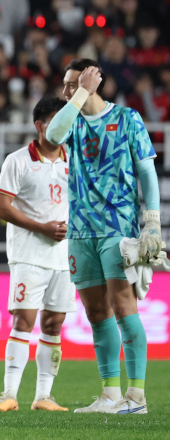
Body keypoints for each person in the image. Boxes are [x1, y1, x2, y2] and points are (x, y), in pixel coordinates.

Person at [46, 59, 162, 414]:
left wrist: (153, 221)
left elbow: (147, 172)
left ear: (95, 80)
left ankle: (137, 396)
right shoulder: (72, 121)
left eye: (74, 83)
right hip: (81, 229)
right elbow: (52, 136)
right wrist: (80, 93)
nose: (68, 91)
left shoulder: (128, 119)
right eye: (66, 85)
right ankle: (111, 394)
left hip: (118, 227)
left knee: (125, 308)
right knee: (97, 313)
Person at [0, 97, 75, 412]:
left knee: (54, 323)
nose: (63, 129)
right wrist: (42, 227)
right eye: (56, 122)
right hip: (28, 255)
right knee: (24, 320)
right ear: (40, 126)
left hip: (65, 257)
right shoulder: (17, 160)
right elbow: (1, 207)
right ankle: (9, 394)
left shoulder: (74, 160)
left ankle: (44, 397)